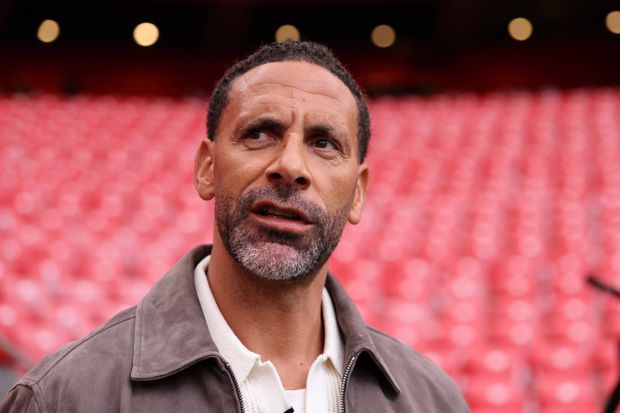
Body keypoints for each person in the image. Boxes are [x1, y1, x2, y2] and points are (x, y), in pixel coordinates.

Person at [1, 40, 470, 412]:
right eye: (259, 133)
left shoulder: (432, 400)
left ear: (358, 193)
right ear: (207, 168)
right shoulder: (64, 397)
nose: (290, 166)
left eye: (324, 143)